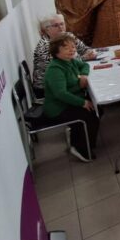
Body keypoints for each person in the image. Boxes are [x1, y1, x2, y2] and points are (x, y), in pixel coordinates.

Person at [43, 33, 100, 162]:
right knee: (90, 115)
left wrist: (83, 75)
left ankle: (84, 141)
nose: (72, 50)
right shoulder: (55, 69)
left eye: (73, 47)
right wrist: (82, 102)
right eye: (66, 48)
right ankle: (80, 148)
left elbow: (84, 65)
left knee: (97, 110)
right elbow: (60, 94)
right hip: (58, 108)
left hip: (70, 101)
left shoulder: (70, 61)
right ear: (56, 51)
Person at [32, 13, 95, 98]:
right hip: (48, 90)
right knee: (91, 86)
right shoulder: (45, 46)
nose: (61, 27)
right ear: (47, 30)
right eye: (56, 25)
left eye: (62, 24)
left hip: (66, 81)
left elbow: (84, 49)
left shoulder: (67, 36)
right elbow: (65, 64)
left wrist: (90, 52)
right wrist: (84, 58)